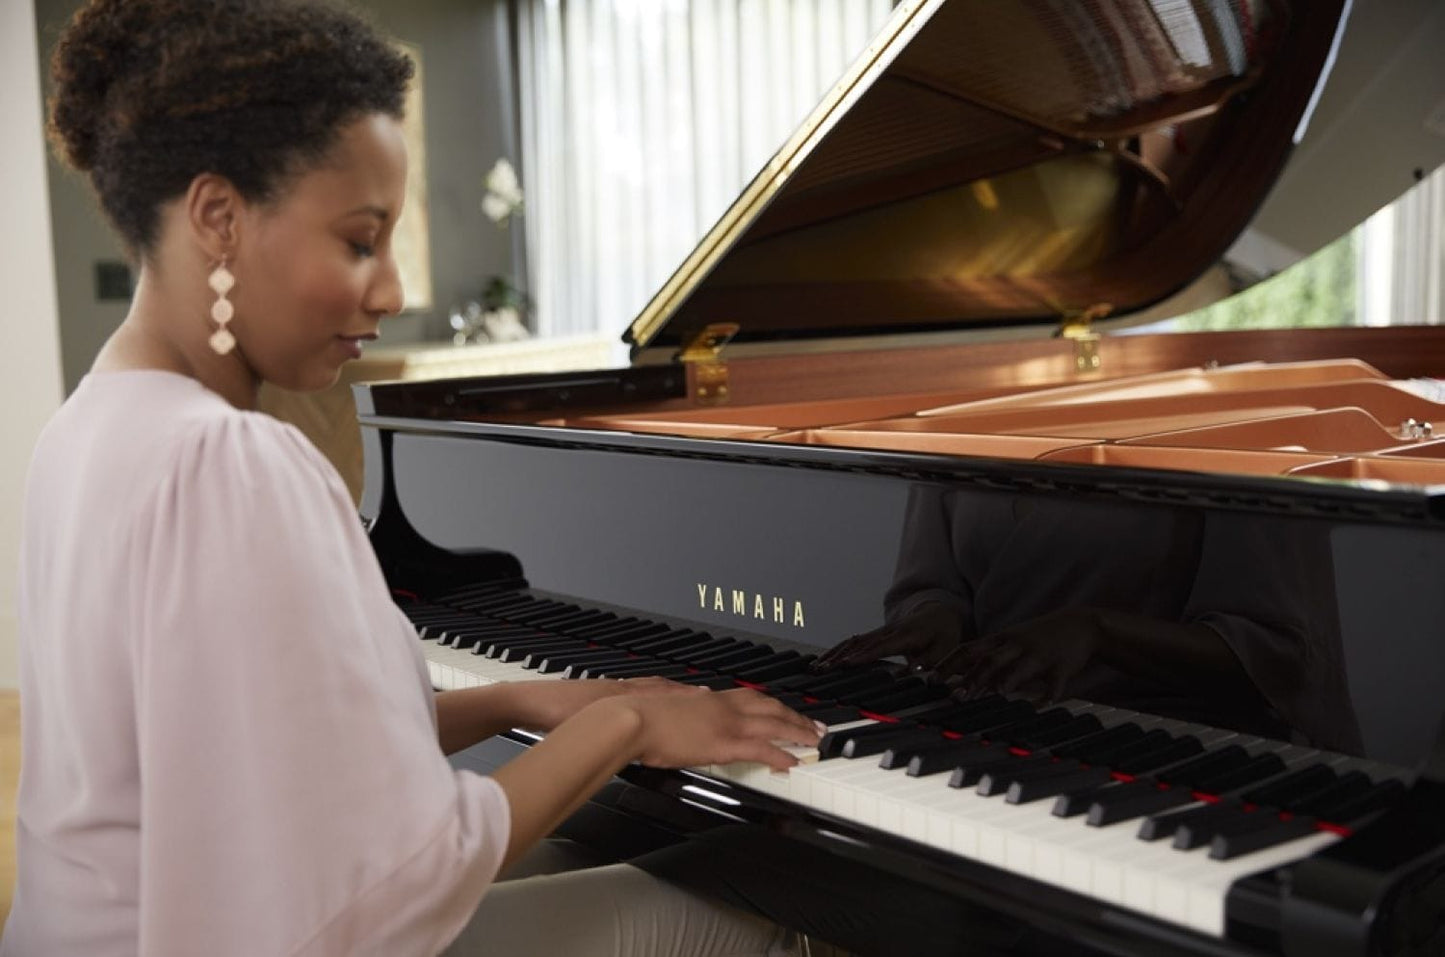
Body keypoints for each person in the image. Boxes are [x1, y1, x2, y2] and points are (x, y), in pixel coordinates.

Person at [1, 1, 826, 954]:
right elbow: (392, 883)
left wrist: (520, 700)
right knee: (761, 908)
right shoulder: (230, 464)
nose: (391, 289)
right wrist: (630, 719)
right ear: (218, 217)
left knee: (618, 862)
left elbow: (272, 750)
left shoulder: (88, 425)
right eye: (360, 240)